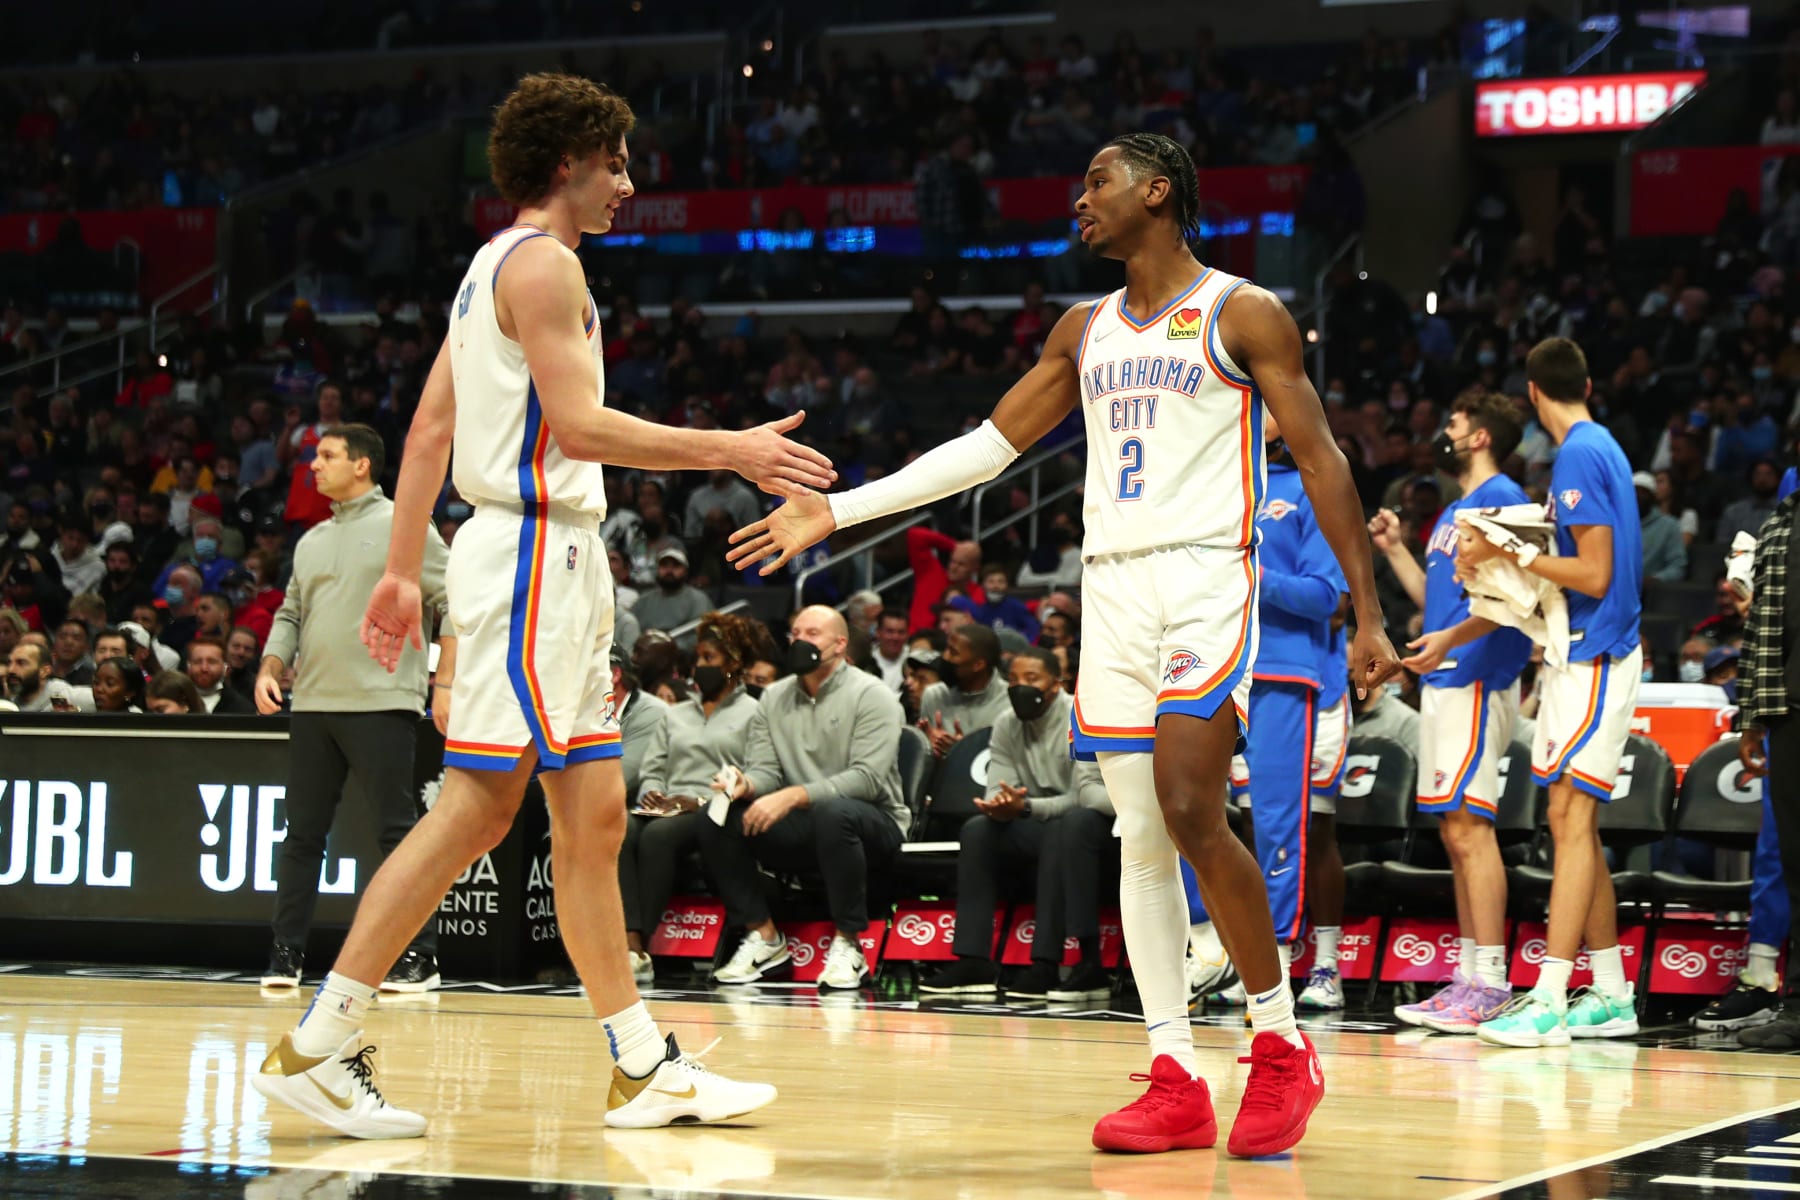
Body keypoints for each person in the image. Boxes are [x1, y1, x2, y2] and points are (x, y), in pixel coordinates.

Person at [728, 132, 1399, 1158]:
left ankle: (1279, 1043)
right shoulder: (1084, 331)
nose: (1077, 200)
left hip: (1206, 579)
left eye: (1097, 182)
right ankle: (1174, 1069)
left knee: (1186, 804)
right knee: (1136, 830)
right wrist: (840, 511)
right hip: (1114, 590)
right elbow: (986, 452)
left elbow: (1322, 460)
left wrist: (1370, 613)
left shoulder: (1243, 311)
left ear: (1158, 191)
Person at [252, 74, 826, 1139]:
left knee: (595, 815)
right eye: (616, 162)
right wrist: (731, 449)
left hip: (547, 561)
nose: (629, 181)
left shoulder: (487, 271)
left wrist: (393, 572)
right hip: (528, 557)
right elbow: (583, 424)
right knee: (476, 805)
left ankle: (639, 1063)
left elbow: (426, 431)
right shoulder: (546, 265)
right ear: (568, 162)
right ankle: (323, 1040)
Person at [1411, 338, 1643, 1047]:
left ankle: (1546, 997)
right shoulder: (1601, 445)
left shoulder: (1578, 453)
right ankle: (1609, 993)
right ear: (1587, 384)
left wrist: (1513, 550)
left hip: (1598, 651)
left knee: (1568, 818)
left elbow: (1596, 574)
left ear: (1536, 393)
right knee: (1578, 825)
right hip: (1580, 652)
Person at [255, 423, 453, 992]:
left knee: (396, 834)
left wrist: (445, 681)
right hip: (313, 703)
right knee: (301, 835)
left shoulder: (405, 525)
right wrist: (271, 665)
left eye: (327, 456)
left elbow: (451, 600)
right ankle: (286, 953)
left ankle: (421, 956)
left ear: (361, 464)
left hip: (383, 701)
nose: (314, 466)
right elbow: (291, 613)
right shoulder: (312, 540)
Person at [1370, 388, 1532, 1033]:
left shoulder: (1505, 502)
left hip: (1476, 678)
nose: (1445, 430)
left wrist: (1453, 650)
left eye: (1455, 422)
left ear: (1481, 437)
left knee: (1471, 829)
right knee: (1454, 832)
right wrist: (1395, 551)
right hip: (1446, 677)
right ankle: (1470, 975)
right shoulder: (1458, 509)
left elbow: (1511, 602)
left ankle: (1490, 979)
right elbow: (1440, 607)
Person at [1184, 418, 1345, 1010]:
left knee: (1278, 823)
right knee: (1187, 808)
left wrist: (1248, 571)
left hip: (1283, 669)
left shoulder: (1308, 487)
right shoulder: (1209, 482)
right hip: (1206, 663)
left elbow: (1325, 596)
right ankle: (1208, 949)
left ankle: (1273, 965)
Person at [700, 605, 906, 990]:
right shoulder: (774, 697)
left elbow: (867, 780)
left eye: (812, 634)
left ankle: (850, 946)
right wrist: (746, 784)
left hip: (875, 822)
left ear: (839, 645)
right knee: (718, 815)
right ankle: (764, 938)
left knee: (834, 812)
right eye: (795, 633)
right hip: (806, 822)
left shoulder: (872, 695)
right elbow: (766, 771)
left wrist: (794, 796)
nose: (799, 641)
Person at [917, 647, 1115, 1000]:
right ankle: (974, 960)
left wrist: (1026, 808)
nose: (1019, 687)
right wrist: (999, 805)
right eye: (1013, 680)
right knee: (978, 830)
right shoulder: (1007, 722)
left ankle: (1046, 963)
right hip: (1034, 820)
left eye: (1031, 679)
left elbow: (1083, 797)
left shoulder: (1080, 716)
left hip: (1085, 827)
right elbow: (998, 784)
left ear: (1057, 684)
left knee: (1066, 825)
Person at [622, 610, 770, 985]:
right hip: (665, 804)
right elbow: (653, 767)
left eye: (710, 658)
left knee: (657, 838)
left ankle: (638, 949)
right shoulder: (675, 715)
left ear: (733, 664)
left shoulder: (754, 712)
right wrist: (652, 792)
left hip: (713, 809)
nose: (699, 666)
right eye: (698, 657)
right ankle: (624, 942)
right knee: (620, 827)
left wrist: (700, 801)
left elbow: (754, 772)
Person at [1728, 479, 1800, 1048]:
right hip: (1789, 709)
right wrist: (1753, 715)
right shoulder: (1783, 517)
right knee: (1794, 860)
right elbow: (1767, 621)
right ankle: (1794, 1003)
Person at [916, 623, 1009, 756]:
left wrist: (960, 752)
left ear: (978, 665)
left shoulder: (1008, 704)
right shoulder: (934, 695)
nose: (945, 657)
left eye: (953, 653)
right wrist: (928, 746)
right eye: (946, 649)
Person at [630, 546, 711, 648]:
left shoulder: (698, 600)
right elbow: (632, 631)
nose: (669, 571)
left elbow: (703, 635)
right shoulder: (644, 600)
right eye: (664, 566)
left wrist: (673, 648)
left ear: (685, 571)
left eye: (676, 566)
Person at [1634, 471, 1687, 584]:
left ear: (1652, 497)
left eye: (1643, 493)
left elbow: (1677, 566)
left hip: (1649, 592)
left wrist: (1655, 579)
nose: (1637, 497)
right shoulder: (1614, 524)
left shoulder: (1669, 526)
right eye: (1633, 492)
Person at [187, 635, 256, 714]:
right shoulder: (174, 702)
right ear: (188, 667)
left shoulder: (244, 710)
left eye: (211, 662)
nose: (204, 668)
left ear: (226, 668)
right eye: (198, 661)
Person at [6, 640, 82, 711]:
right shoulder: (9, 705)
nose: (11, 670)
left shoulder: (67, 696)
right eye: (9, 663)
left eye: (21, 663)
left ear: (44, 671)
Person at [871, 608, 910, 691]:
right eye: (890, 631)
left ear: (907, 634)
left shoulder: (913, 659)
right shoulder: (867, 660)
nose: (895, 637)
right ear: (878, 632)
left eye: (901, 632)